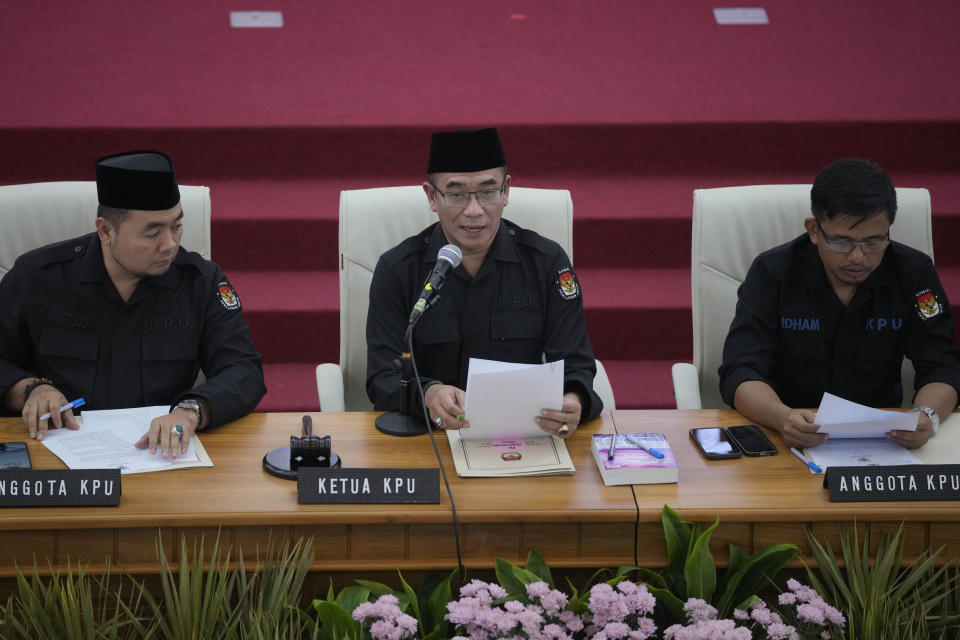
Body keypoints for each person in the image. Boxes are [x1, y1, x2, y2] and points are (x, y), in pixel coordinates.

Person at [0, 150, 266, 456]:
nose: (169, 244)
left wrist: (190, 411)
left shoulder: (200, 283)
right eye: (152, 233)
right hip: (54, 452)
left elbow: (243, 369)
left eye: (176, 227)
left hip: (161, 454)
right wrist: (31, 389)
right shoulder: (37, 279)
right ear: (106, 231)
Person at [366, 128, 602, 436]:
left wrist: (573, 399)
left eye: (488, 192)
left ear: (506, 191)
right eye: (456, 194)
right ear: (432, 197)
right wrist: (428, 394)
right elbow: (382, 375)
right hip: (430, 438)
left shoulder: (546, 264)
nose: (474, 210)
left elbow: (576, 364)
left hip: (521, 436)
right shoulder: (398, 270)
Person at [719, 158, 960, 449]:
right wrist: (782, 417)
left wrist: (926, 416)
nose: (858, 257)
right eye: (842, 242)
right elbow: (741, 368)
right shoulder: (773, 273)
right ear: (814, 230)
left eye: (873, 242)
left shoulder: (913, 273)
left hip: (884, 441)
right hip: (787, 436)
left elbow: (942, 366)